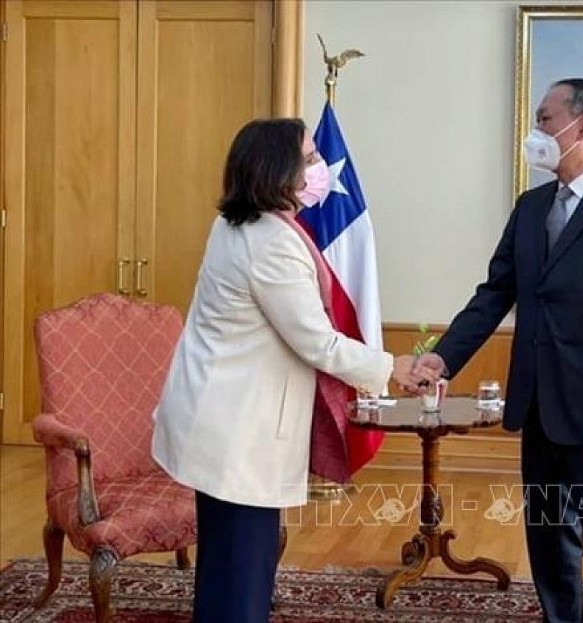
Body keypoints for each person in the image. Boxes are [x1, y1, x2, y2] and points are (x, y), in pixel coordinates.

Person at [412, 79, 583, 622]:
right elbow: (496, 292)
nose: (539, 131)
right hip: (539, 412)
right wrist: (444, 356)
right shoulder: (531, 208)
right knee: (551, 543)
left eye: (547, 119)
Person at [151, 118, 416, 622]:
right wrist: (393, 366)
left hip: (218, 422)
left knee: (225, 568)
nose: (319, 168)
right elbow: (316, 342)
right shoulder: (271, 243)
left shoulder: (237, 225)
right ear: (279, 169)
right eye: (310, 157)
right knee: (241, 579)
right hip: (236, 434)